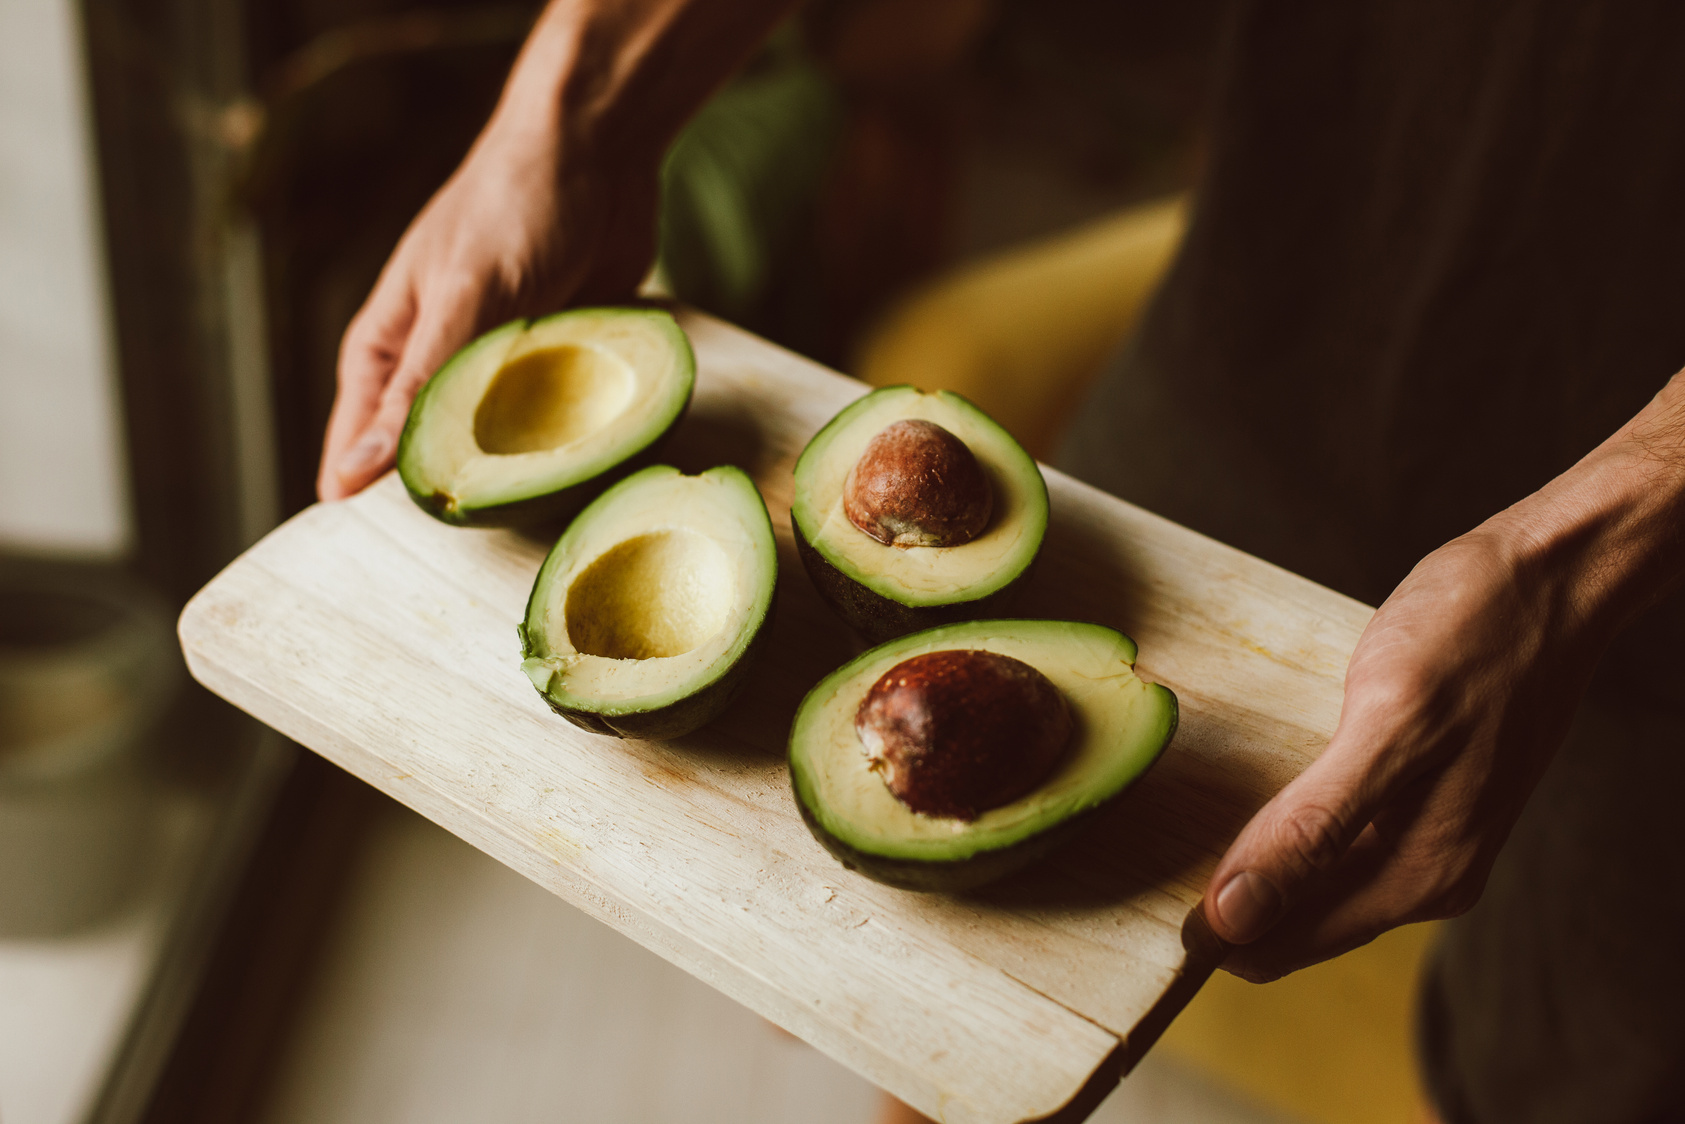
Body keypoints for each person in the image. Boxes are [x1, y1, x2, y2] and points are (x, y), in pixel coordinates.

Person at [318, 2, 1685, 1121]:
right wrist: (572, 110)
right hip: (1273, 335)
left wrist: (1589, 544)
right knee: (935, 1001)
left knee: (1577, 1075)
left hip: (1663, 558)